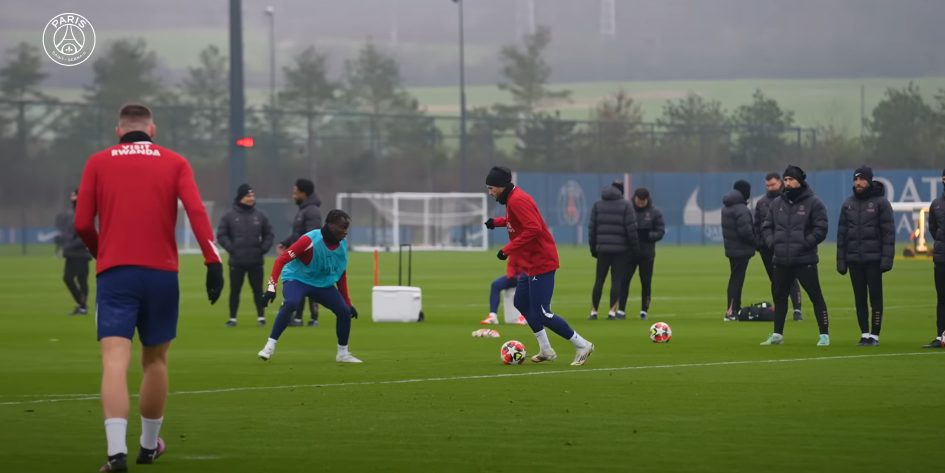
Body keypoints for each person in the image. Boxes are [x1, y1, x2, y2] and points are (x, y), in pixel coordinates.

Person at [75, 104, 224, 472]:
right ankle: (147, 446)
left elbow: (81, 222)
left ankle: (115, 454)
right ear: (152, 129)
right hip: (161, 274)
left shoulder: (98, 162)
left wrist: (101, 251)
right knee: (155, 360)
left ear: (118, 130)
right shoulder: (175, 162)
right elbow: (196, 212)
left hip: (116, 274)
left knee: (114, 360)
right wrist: (212, 260)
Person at [483, 166, 595, 366]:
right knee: (521, 303)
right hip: (530, 262)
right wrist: (497, 222)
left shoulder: (517, 200)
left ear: (501, 186)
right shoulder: (513, 198)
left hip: (541, 261)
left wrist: (507, 249)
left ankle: (582, 344)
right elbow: (516, 221)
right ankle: (546, 349)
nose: (490, 193)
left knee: (543, 312)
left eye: (491, 188)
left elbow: (533, 228)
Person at [258, 209, 361, 363]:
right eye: (342, 228)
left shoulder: (342, 245)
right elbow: (280, 260)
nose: (345, 233)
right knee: (291, 303)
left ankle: (343, 354)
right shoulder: (309, 240)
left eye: (347, 229)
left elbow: (340, 275)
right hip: (298, 279)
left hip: (322, 284)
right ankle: (269, 346)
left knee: (344, 312)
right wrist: (271, 288)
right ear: (330, 225)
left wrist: (348, 303)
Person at [760, 165, 830, 346]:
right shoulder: (777, 204)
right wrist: (772, 243)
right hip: (781, 260)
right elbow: (767, 226)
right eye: (786, 179)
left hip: (804, 259)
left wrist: (805, 244)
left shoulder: (814, 203)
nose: (788, 183)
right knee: (779, 297)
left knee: (816, 296)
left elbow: (821, 228)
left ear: (800, 181)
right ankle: (777, 335)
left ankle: (824, 335)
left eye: (791, 179)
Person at [836, 166, 894, 346]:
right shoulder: (848, 204)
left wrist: (886, 259)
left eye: (862, 179)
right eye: (856, 179)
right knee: (859, 298)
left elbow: (888, 234)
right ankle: (864, 333)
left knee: (875, 298)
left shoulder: (881, 203)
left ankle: (875, 335)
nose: (858, 183)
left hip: (874, 260)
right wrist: (841, 261)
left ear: (869, 180)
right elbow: (842, 234)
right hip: (854, 260)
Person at [217, 183, 275, 327]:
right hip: (237, 261)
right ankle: (232, 318)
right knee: (235, 291)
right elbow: (222, 235)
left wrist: (263, 249)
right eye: (248, 196)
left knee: (258, 290)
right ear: (241, 197)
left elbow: (269, 234)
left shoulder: (260, 215)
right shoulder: (229, 216)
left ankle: (261, 317)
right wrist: (232, 248)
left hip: (256, 260)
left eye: (253, 196)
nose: (251, 198)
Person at [587, 180, 639, 320]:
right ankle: (611, 311)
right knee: (616, 280)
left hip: (602, 248)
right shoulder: (626, 205)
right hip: (621, 250)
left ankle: (594, 312)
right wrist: (634, 248)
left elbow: (592, 229)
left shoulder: (598, 205)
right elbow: (631, 230)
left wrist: (593, 248)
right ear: (621, 191)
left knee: (599, 280)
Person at [755, 172, 803, 321]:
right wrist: (759, 245)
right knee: (775, 281)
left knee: (791, 279)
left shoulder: (788, 200)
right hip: (767, 249)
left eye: (773, 184)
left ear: (781, 183)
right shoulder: (761, 203)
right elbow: (757, 226)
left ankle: (797, 310)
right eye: (768, 185)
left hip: (786, 247)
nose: (770, 187)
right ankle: (779, 310)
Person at [278, 178, 323, 327]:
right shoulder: (304, 210)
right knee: (300, 283)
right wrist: (286, 242)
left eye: (295, 193)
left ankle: (312, 318)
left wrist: (300, 250)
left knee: (309, 285)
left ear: (304, 193)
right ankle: (298, 317)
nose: (293, 196)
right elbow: (298, 234)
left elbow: (312, 235)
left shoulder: (312, 211)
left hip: (309, 256)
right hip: (300, 254)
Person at [620, 187, 664, 321]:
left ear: (647, 200)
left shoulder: (655, 212)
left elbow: (660, 231)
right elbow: (621, 228)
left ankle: (644, 310)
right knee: (624, 280)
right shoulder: (628, 210)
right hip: (630, 253)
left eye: (643, 201)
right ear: (634, 198)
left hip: (647, 253)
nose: (640, 203)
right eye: (639, 200)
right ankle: (621, 310)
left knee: (646, 282)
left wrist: (648, 235)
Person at [54, 188, 92, 315]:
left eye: (74, 195)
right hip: (72, 254)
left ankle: (82, 307)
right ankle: (82, 305)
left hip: (80, 254)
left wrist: (68, 245)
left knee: (80, 280)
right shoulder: (74, 214)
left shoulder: (84, 213)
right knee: (69, 278)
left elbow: (83, 236)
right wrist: (61, 239)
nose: (71, 197)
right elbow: (71, 234)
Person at [722, 180, 755, 321]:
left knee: (736, 278)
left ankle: (735, 308)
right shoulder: (741, 209)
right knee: (737, 279)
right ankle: (731, 311)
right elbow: (746, 232)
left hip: (732, 249)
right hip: (741, 250)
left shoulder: (727, 206)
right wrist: (757, 242)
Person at [924, 168, 945, 348]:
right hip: (941, 258)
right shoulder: (936, 204)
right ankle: (940, 336)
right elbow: (933, 229)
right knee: (942, 298)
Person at [479, 258, 527, 325]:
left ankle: (523, 316)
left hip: (529, 277)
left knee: (524, 286)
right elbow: (511, 265)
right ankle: (493, 316)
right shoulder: (515, 251)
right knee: (495, 285)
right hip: (515, 277)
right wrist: (511, 275)